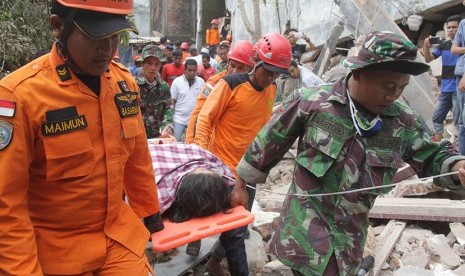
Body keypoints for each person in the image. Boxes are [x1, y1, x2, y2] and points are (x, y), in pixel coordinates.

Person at [235, 30, 465, 275]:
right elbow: (269, 142)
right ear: (358, 72)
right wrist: (240, 185)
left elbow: (434, 155)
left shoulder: (403, 122)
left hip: (348, 244)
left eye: (401, 87)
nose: (393, 95)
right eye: (387, 85)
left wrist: (456, 167)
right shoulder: (313, 103)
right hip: (302, 238)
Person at [0, 0, 164, 275]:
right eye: (96, 36)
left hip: (117, 240)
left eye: (116, 36)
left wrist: (151, 218)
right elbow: (5, 206)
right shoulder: (19, 97)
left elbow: (137, 161)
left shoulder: (124, 85)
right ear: (57, 27)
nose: (108, 48)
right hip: (54, 253)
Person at [193, 33, 291, 276]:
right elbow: (205, 119)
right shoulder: (230, 85)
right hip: (223, 168)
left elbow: (262, 126)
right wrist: (201, 159)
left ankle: (214, 261)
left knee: (238, 225)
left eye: (276, 73)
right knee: (237, 231)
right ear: (256, 61)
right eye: (267, 71)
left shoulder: (271, 90)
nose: (270, 78)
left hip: (249, 169)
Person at [148, 141, 235, 256]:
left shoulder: (213, 169)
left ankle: (195, 239)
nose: (211, 169)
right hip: (152, 150)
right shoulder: (158, 194)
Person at [185, 40, 256, 144]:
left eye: (241, 68)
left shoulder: (253, 87)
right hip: (213, 142)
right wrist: (191, 142)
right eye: (232, 65)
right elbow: (198, 113)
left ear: (250, 68)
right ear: (227, 63)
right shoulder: (214, 83)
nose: (235, 71)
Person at [424, 15, 461, 142]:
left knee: (459, 120)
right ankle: (438, 147)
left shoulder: (462, 46)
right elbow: (428, 59)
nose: (451, 30)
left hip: (459, 88)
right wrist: (426, 47)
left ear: (460, 28)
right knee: (437, 117)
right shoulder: (444, 45)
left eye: (454, 27)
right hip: (446, 89)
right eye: (449, 27)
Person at [136, 44, 174, 139]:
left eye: (157, 64)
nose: (153, 68)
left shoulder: (163, 87)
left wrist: (167, 126)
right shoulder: (132, 85)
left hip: (157, 138)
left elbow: (168, 109)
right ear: (142, 64)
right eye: (149, 63)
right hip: (136, 138)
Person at [171, 59, 205, 141]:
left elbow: (204, 101)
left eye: (194, 70)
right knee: (176, 142)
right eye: (190, 70)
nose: (192, 72)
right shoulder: (177, 82)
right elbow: (172, 102)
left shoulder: (201, 82)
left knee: (193, 143)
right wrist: (170, 120)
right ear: (185, 70)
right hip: (179, 119)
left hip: (195, 120)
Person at [452, 19, 465, 155]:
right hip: (460, 74)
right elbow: (454, 49)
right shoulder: (463, 23)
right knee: (462, 121)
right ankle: (461, 160)